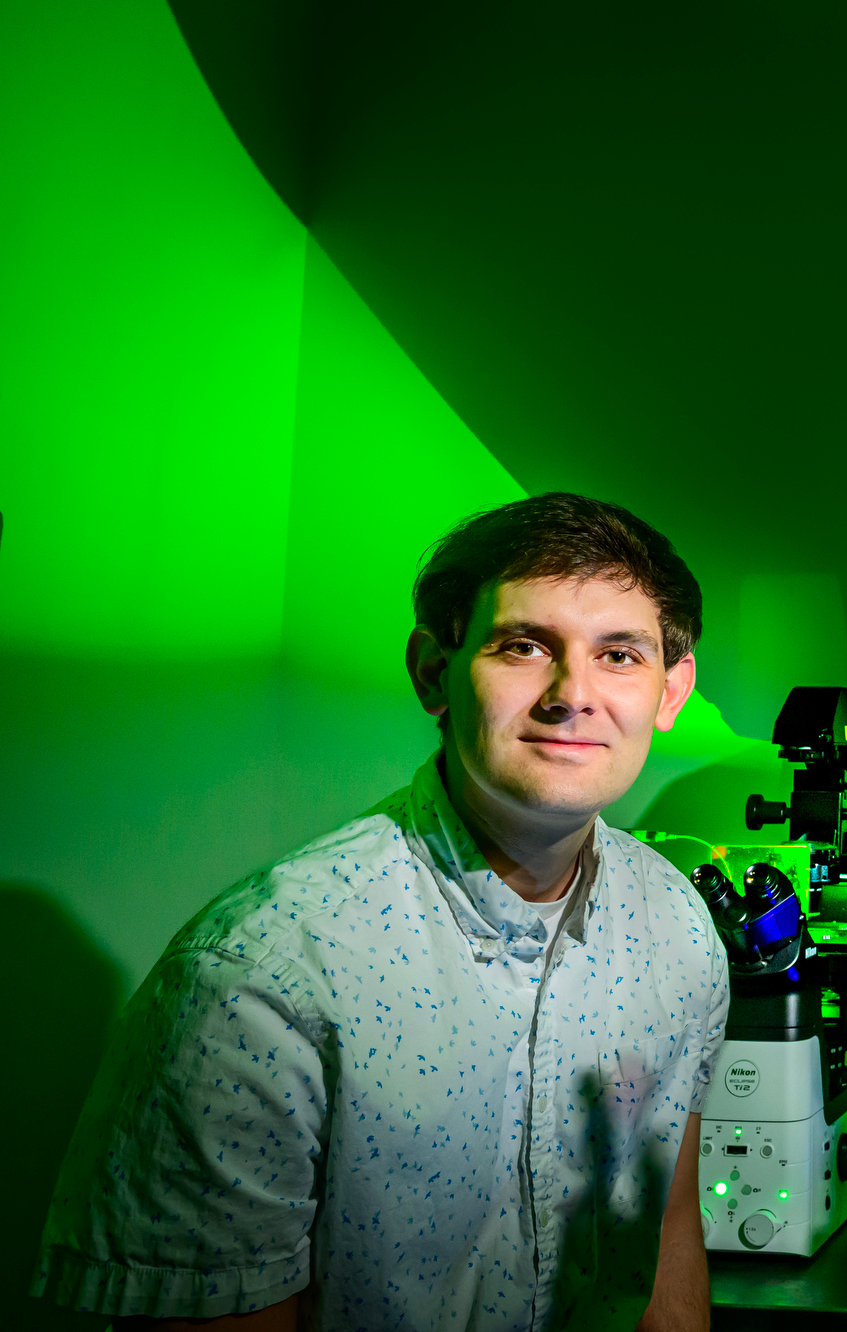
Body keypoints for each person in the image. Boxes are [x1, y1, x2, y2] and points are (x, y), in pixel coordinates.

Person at [35, 494, 728, 1332]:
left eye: (619, 654)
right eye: (523, 646)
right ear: (434, 671)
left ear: (671, 690)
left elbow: (667, 1229)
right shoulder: (257, 978)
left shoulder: (679, 927)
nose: (572, 693)